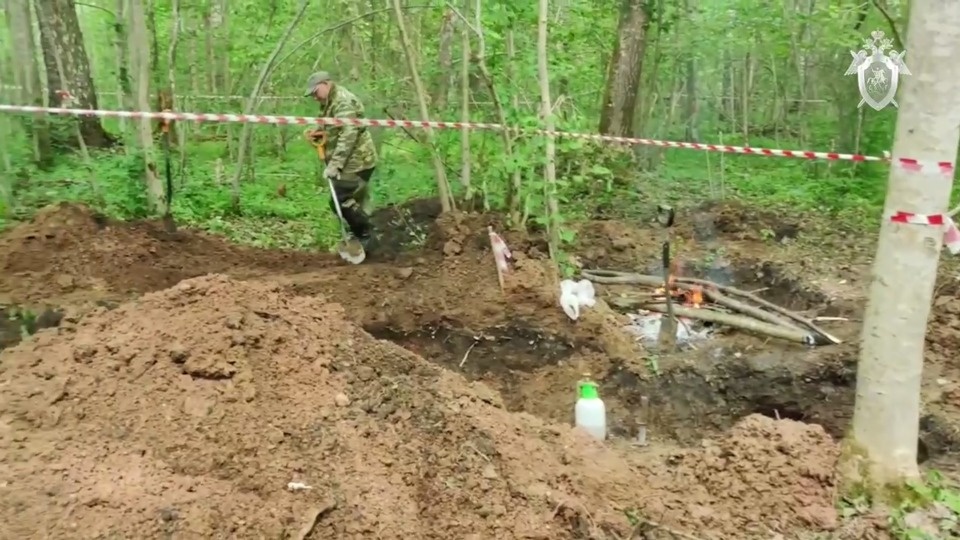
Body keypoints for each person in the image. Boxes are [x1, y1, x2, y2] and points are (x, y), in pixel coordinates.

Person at [303, 71, 378, 250]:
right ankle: (359, 233)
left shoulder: (343, 102)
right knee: (350, 200)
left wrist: (335, 165)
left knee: (341, 198)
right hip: (349, 161)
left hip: (358, 160)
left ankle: (366, 235)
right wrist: (314, 130)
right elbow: (326, 123)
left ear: (326, 84)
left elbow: (348, 134)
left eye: (315, 92)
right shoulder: (329, 101)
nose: (314, 97)